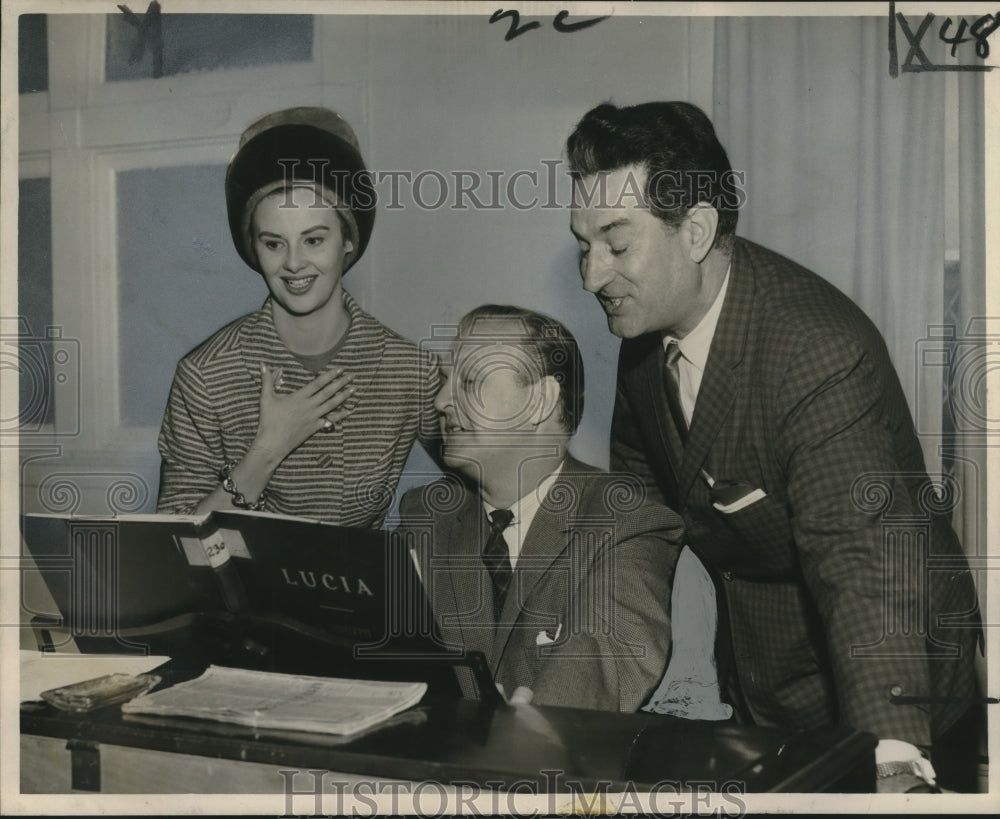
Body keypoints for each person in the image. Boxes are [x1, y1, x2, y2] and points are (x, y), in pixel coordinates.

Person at [565, 101, 980, 790]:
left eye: (615, 242)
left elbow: (863, 565)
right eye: (583, 244)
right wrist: (577, 685)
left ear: (695, 229)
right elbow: (638, 525)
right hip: (765, 677)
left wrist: (898, 760)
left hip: (895, 675)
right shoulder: (644, 333)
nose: (591, 276)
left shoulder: (816, 352)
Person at [157, 107, 439, 527]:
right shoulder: (206, 375)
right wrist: (268, 449)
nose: (293, 264)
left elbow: (491, 476)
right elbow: (173, 549)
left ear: (348, 239)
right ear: (253, 248)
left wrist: (420, 531)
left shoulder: (410, 369)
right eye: (274, 244)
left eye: (313, 240)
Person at [395, 305, 687, 712]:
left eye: (471, 381)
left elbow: (603, 655)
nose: (443, 400)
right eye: (445, 380)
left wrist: (524, 727)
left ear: (540, 401)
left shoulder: (626, 523)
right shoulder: (425, 516)